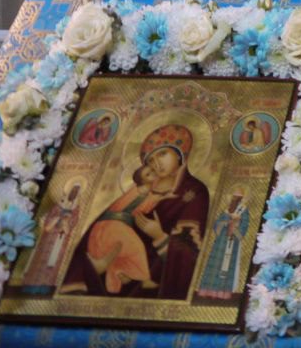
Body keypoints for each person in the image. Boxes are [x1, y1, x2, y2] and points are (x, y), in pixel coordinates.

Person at [60, 124, 210, 299]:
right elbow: (100, 227)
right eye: (151, 160)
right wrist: (91, 267)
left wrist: (160, 236)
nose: (157, 163)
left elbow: (191, 251)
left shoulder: (194, 192)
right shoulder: (140, 189)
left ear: (179, 153)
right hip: (114, 276)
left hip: (156, 285)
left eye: (162, 154)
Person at [195, 194, 250, 300]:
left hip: (232, 241)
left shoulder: (243, 210)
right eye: (234, 197)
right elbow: (217, 225)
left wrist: (235, 225)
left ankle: (222, 293)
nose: (234, 199)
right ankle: (208, 290)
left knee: (227, 265)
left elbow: (244, 226)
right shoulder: (226, 210)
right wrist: (227, 221)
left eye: (237, 197)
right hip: (220, 242)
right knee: (215, 264)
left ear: (241, 199)